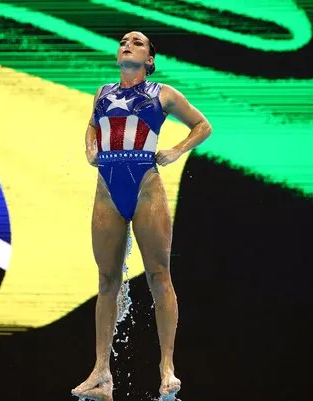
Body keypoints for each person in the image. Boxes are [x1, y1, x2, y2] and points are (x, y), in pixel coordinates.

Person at [71, 31, 212, 401]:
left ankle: (167, 367)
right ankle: (101, 373)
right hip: (107, 191)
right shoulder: (102, 93)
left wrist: (177, 150)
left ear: (149, 59)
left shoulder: (162, 93)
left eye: (137, 42)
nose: (127, 44)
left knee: (158, 275)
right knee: (106, 279)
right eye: (123, 41)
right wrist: (89, 148)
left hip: (147, 188)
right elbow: (92, 124)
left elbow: (203, 126)